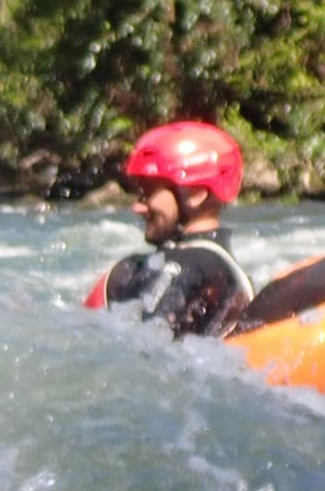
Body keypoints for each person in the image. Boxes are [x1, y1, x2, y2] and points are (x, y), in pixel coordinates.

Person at [93, 120, 255, 338]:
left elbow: (140, 346)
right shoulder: (225, 270)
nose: (137, 207)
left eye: (148, 193)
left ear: (196, 193)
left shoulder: (183, 267)